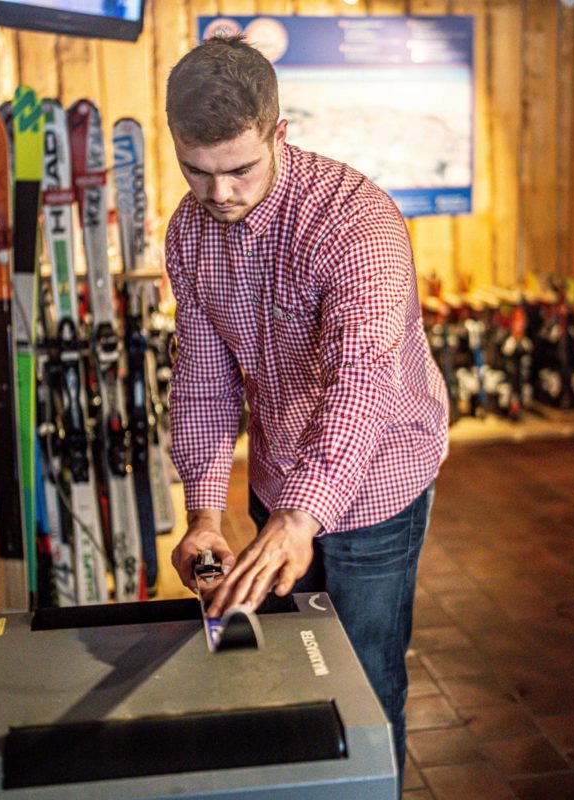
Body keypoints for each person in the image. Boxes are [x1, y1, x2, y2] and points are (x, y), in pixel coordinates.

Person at [163, 34, 450, 778]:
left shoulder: (357, 226)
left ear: (279, 134)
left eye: (239, 170)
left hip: (379, 482)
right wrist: (202, 509)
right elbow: (202, 373)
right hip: (279, 474)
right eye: (196, 170)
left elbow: (360, 383)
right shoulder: (189, 231)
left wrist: (300, 518)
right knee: (287, 671)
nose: (218, 195)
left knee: (363, 681)